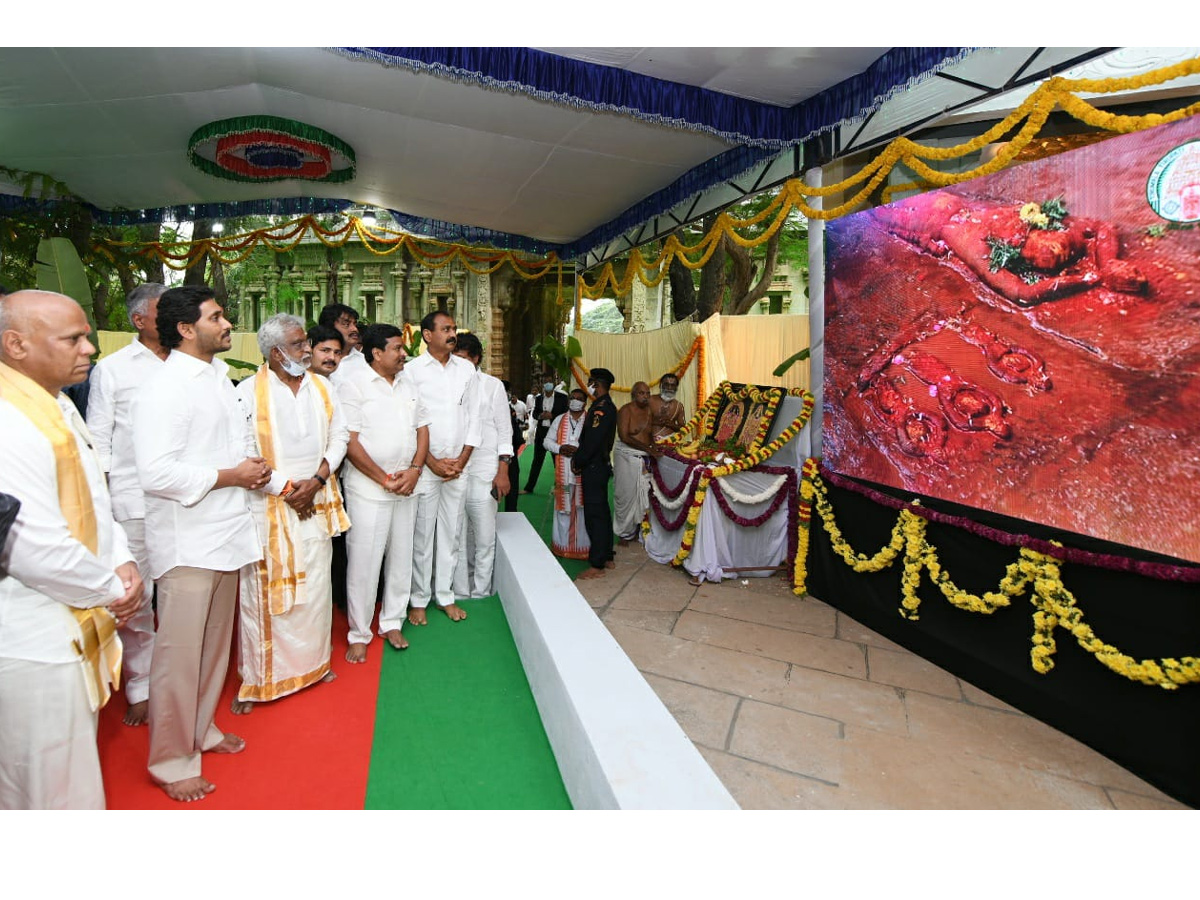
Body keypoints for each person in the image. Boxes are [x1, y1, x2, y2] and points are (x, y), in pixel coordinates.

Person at [0, 290, 143, 809]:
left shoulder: (55, 402)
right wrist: (113, 590)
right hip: (32, 635)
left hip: (69, 613)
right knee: (46, 789)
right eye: (73, 338)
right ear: (16, 344)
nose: (89, 349)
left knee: (63, 778)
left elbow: (95, 497)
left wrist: (122, 556)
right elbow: (27, 545)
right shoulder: (8, 419)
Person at [133, 284, 267, 803]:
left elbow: (233, 451)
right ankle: (170, 759)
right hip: (188, 541)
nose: (228, 324)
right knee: (179, 655)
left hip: (228, 533)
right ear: (187, 329)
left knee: (214, 648)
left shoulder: (216, 377)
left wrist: (257, 474)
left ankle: (202, 729)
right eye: (217, 317)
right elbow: (156, 472)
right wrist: (232, 475)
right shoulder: (166, 386)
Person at [232, 314, 349, 713]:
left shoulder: (322, 388)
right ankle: (262, 680)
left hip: (315, 498)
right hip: (268, 506)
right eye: (300, 344)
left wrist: (315, 481)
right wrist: (286, 489)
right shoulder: (247, 392)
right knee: (265, 593)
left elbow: (340, 436)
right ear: (277, 352)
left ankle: (314, 666)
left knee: (316, 585)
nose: (307, 348)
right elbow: (244, 449)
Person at [86, 282, 167, 726]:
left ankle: (176, 677)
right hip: (134, 499)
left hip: (190, 498)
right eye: (164, 310)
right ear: (139, 320)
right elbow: (98, 439)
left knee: (180, 594)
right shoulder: (113, 369)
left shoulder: (192, 364)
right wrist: (101, 505)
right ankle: (141, 684)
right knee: (139, 595)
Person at [337, 323, 429, 661]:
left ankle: (392, 620)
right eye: (397, 348)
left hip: (407, 485)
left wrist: (415, 470)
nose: (404, 354)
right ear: (376, 354)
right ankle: (359, 632)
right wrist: (383, 478)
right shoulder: (354, 385)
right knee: (364, 561)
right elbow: (350, 441)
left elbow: (422, 429)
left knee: (401, 558)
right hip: (369, 489)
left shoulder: (409, 383)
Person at [403, 311, 480, 626]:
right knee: (422, 534)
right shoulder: (412, 371)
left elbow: (474, 418)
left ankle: (445, 595)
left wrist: (461, 461)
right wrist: (431, 462)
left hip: (458, 466)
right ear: (426, 335)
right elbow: (409, 421)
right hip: (426, 466)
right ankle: (419, 599)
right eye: (445, 329)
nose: (452, 334)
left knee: (452, 532)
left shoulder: (467, 370)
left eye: (453, 328)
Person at [452, 332, 513, 599]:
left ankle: (481, 591)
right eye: (454, 358)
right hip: (454, 471)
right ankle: (460, 590)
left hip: (485, 469)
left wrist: (503, 471)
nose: (458, 364)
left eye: (463, 358)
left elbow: (504, 432)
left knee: (484, 536)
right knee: (458, 535)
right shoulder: (447, 386)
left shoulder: (492, 386)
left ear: (476, 359)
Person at [573, 368, 618, 580]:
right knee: (602, 512)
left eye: (591, 383)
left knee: (595, 515)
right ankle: (607, 555)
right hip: (598, 466)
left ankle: (597, 563)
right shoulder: (604, 406)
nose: (589, 387)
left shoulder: (602, 409)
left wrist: (578, 460)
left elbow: (592, 441)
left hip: (593, 466)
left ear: (597, 385)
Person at [544, 387, 590, 560]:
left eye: (579, 398)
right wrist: (560, 448)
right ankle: (561, 547)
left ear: (585, 403)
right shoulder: (559, 419)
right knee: (562, 510)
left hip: (582, 472)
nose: (575, 400)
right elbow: (546, 441)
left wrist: (579, 452)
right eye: (573, 397)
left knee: (582, 510)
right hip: (563, 471)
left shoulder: (589, 420)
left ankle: (582, 548)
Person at [614, 381, 659, 545]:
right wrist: (648, 448)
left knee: (643, 494)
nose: (645, 396)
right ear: (634, 394)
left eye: (648, 393)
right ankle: (623, 533)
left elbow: (652, 434)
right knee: (626, 495)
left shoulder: (650, 412)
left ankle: (638, 529)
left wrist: (655, 447)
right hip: (627, 457)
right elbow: (624, 436)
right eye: (641, 393)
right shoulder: (625, 410)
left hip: (644, 457)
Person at [521, 376, 569, 493]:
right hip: (542, 433)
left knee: (557, 460)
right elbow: (535, 413)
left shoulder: (562, 398)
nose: (548, 384)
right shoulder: (539, 398)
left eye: (550, 382)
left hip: (556, 433)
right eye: (546, 382)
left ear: (554, 384)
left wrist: (553, 415)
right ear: (543, 384)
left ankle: (560, 486)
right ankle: (529, 488)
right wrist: (541, 416)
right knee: (537, 461)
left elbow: (566, 412)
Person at [320, 303, 367, 386]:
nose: (354, 329)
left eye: (355, 324)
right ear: (329, 327)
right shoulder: (312, 360)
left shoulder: (364, 362)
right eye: (346, 324)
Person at [502, 380, 525, 513]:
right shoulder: (502, 408)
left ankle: (511, 512)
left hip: (511, 451)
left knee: (512, 484)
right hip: (505, 452)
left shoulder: (508, 408)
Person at [650, 372, 686, 441]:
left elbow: (683, 429)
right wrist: (654, 422)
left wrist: (672, 425)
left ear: (676, 388)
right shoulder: (650, 400)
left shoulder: (679, 406)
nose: (669, 388)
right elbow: (637, 421)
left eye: (673, 385)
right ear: (660, 385)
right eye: (666, 384)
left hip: (670, 442)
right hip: (649, 441)